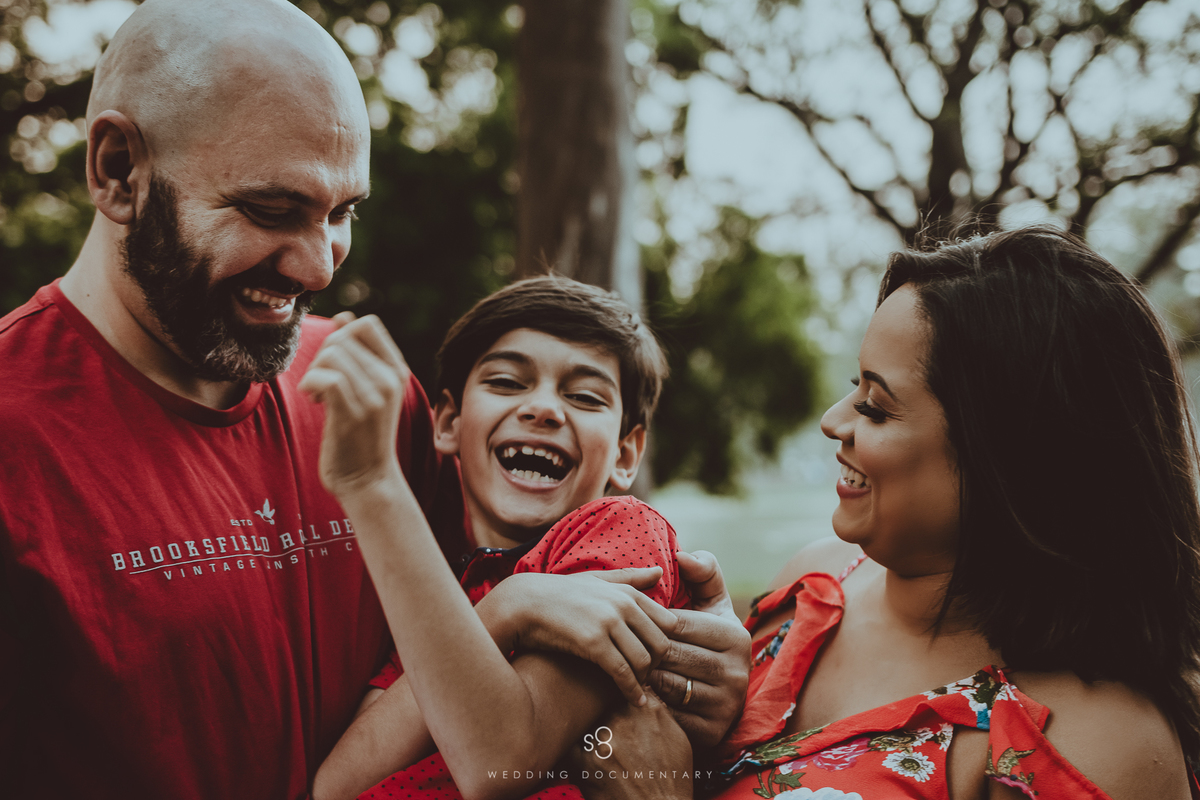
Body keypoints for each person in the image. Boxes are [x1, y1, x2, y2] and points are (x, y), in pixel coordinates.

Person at [0, 1, 748, 797]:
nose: (321, 268)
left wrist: (700, 662)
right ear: (119, 169)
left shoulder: (370, 394)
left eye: (342, 213)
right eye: (272, 209)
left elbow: (507, 596)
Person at [569, 227, 1200, 800]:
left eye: (874, 406)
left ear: (1006, 458)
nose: (832, 421)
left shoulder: (1092, 747)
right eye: (853, 386)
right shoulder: (812, 589)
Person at [303, 276, 709, 800]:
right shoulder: (442, 583)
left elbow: (502, 761)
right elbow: (336, 786)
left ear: (626, 454)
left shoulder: (622, 529)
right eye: (506, 383)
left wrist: (501, 608)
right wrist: (503, 610)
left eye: (584, 396)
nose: (543, 409)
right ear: (448, 421)